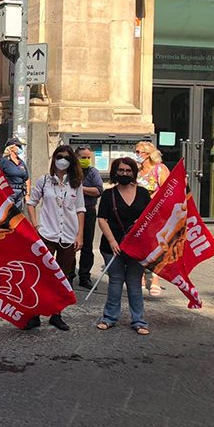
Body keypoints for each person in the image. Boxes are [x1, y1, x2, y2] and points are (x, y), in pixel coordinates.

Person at [25, 144, 85, 331]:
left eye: (67, 157)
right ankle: (35, 314)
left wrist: (80, 234)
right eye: (60, 156)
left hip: (68, 234)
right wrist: (35, 225)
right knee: (42, 274)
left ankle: (56, 314)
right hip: (47, 233)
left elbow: (80, 209)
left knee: (63, 276)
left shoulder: (75, 183)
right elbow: (31, 202)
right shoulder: (44, 181)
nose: (63, 160)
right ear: (54, 158)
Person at [97, 157, 151, 335]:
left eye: (128, 171)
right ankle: (109, 317)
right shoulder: (108, 194)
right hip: (112, 246)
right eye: (121, 170)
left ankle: (139, 320)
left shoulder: (143, 193)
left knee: (134, 282)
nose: (125, 174)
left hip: (137, 247)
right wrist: (112, 241)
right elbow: (102, 219)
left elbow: (151, 218)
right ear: (115, 172)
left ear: (134, 173)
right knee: (115, 281)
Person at [135, 140, 169, 296]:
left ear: (148, 154)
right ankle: (140, 275)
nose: (136, 155)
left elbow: (167, 190)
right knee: (140, 244)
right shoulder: (136, 170)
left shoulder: (159, 169)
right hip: (139, 212)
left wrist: (150, 198)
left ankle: (155, 278)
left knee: (155, 245)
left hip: (156, 213)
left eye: (138, 152)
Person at [74, 146, 104, 288]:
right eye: (83, 157)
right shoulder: (71, 172)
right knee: (69, 243)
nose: (86, 160)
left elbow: (98, 190)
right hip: (71, 211)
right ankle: (68, 275)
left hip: (88, 210)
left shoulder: (93, 172)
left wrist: (81, 189)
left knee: (87, 244)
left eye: (88, 157)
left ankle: (85, 276)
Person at [0, 137, 30, 210]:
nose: (21, 148)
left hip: (20, 194)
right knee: (8, 215)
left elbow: (27, 179)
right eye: (18, 146)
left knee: (18, 217)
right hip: (8, 193)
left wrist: (27, 194)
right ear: (12, 148)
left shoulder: (21, 162)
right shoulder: (4, 162)